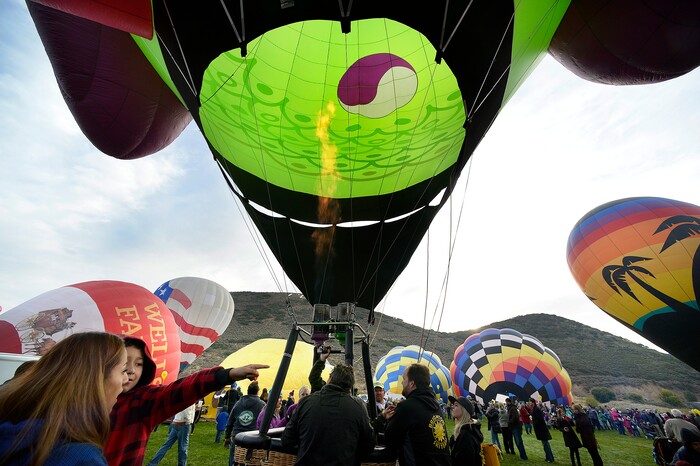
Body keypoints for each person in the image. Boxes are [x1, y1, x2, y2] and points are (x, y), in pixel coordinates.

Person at [106, 335, 267, 466]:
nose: (131, 370)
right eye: (124, 362)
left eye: (139, 364)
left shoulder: (142, 402)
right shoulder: (85, 402)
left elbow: (183, 389)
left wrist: (227, 375)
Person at [0, 332, 127, 465]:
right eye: (123, 370)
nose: (125, 379)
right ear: (96, 379)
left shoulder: (13, 423)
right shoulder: (81, 458)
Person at [281, 363, 375, 465]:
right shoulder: (358, 407)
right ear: (350, 386)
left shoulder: (306, 402)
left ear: (330, 379)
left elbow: (287, 440)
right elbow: (368, 446)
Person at [383, 363, 451, 465]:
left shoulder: (406, 407)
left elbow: (391, 441)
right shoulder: (436, 407)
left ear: (412, 383)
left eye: (404, 379)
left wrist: (387, 420)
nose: (402, 382)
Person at [224, 381, 266, 466]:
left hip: (237, 437)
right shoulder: (262, 405)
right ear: (257, 392)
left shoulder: (238, 403)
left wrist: (227, 437)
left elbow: (230, 421)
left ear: (248, 391)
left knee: (234, 461)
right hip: (253, 439)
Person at [448, 395, 483, 465]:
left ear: (464, 410)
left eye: (456, 405)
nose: (452, 407)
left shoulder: (466, 435)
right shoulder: (465, 430)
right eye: (453, 405)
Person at [528, 398, 554, 463]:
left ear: (533, 402)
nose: (529, 403)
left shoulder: (536, 409)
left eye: (529, 402)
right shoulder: (534, 409)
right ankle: (548, 457)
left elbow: (540, 419)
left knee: (546, 444)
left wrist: (533, 422)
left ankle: (550, 458)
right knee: (544, 444)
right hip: (540, 429)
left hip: (542, 429)